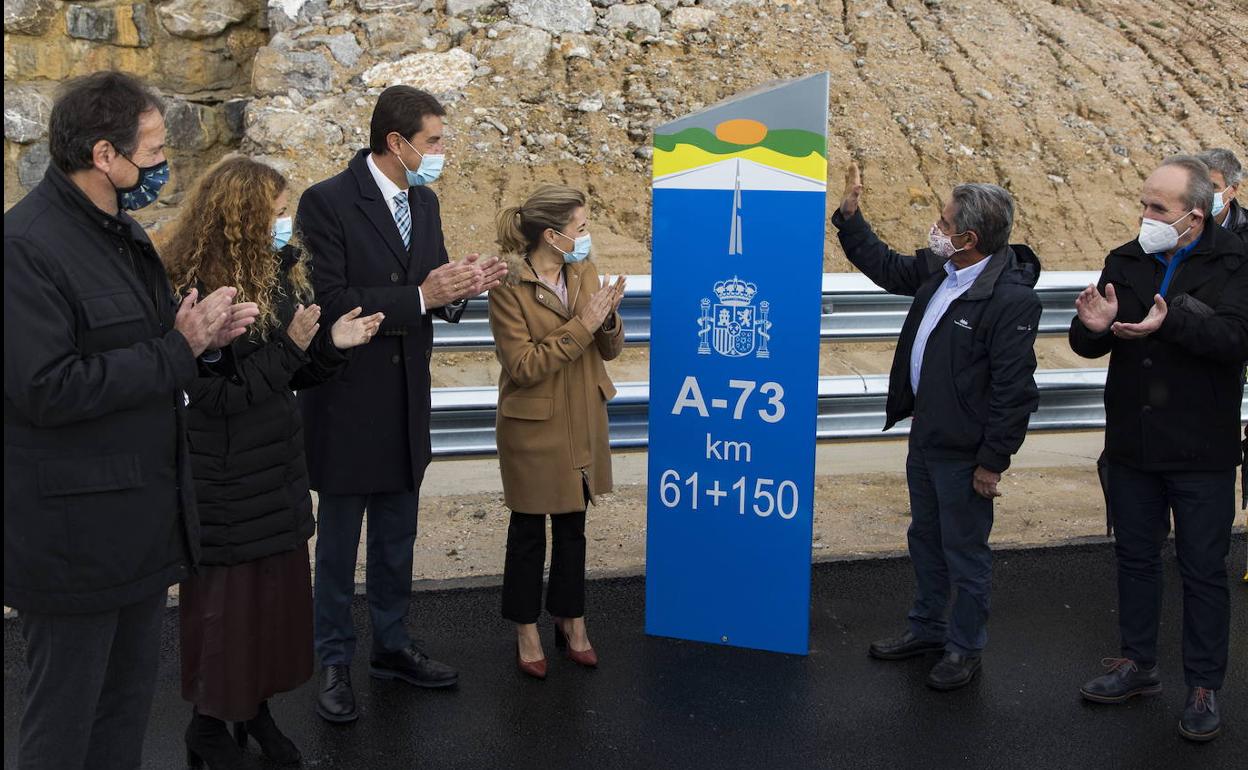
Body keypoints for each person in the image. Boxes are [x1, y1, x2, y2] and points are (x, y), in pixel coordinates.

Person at [3, 71, 256, 769]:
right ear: (104, 155)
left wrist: (204, 342)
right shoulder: (25, 247)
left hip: (140, 531)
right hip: (74, 542)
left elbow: (151, 351)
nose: (160, 162)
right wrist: (179, 348)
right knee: (63, 730)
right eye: (149, 148)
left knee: (121, 722)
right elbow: (45, 389)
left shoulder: (123, 234)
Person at [296, 85, 508, 722]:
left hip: (406, 400)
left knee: (397, 539)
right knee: (338, 547)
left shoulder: (426, 199)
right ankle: (333, 661)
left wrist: (459, 287)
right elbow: (331, 301)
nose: (442, 152)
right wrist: (421, 295)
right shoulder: (326, 202)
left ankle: (392, 645)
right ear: (396, 143)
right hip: (345, 399)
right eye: (434, 141)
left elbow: (432, 284)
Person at [162, 157, 384, 768]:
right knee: (225, 613)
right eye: (278, 212)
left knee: (268, 608)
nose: (287, 223)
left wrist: (330, 348)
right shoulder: (196, 287)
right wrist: (289, 350)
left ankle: (254, 714)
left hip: (275, 471)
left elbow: (293, 373)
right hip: (225, 479)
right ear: (243, 216)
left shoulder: (279, 273)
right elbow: (215, 397)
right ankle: (207, 726)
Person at [833, 163, 1042, 691]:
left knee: (965, 554)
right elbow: (885, 266)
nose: (936, 227)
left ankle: (965, 648)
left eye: (944, 222)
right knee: (925, 539)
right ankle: (927, 629)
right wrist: (851, 217)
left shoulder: (1010, 298)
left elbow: (1015, 392)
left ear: (968, 238)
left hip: (966, 454)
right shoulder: (941, 270)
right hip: (925, 437)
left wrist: (993, 461)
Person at [1071, 155, 1247, 742]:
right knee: (1136, 559)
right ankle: (1138, 664)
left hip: (1201, 451)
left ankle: (1203, 685)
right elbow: (1092, 337)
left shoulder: (1237, 262)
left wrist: (1167, 324)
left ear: (1193, 218)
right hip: (1132, 445)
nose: (1144, 215)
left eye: (1157, 208)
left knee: (1201, 570)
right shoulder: (1127, 257)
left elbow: (1233, 340)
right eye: (1143, 203)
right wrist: (1092, 327)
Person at [489, 186, 625, 679]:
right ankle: (526, 629)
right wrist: (585, 326)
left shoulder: (582, 270)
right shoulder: (507, 283)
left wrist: (607, 319)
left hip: (582, 415)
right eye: (581, 228)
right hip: (534, 423)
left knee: (573, 527)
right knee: (528, 531)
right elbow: (524, 365)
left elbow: (607, 350)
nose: (587, 237)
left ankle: (573, 620)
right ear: (552, 234)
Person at [1196, 148, 1247, 242]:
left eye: (1213, 186)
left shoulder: (1244, 235)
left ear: (1232, 190)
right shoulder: (1174, 218)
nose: (1203, 192)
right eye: (1198, 183)